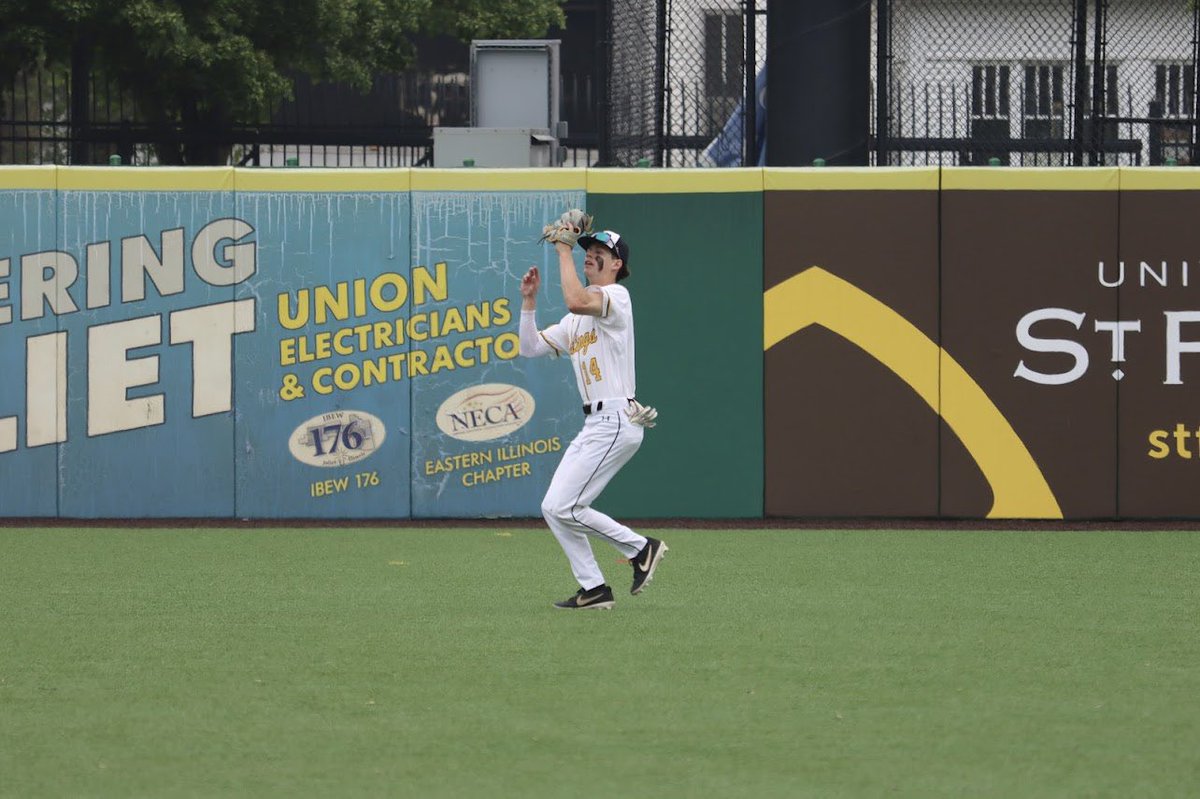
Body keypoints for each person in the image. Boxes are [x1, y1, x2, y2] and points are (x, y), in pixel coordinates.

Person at [518, 225, 667, 610]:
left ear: (617, 263)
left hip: (616, 419)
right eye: (587, 248)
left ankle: (640, 548)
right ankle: (595, 587)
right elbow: (530, 347)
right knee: (555, 508)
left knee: (566, 507)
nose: (590, 253)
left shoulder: (617, 296)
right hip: (597, 424)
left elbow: (576, 300)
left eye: (599, 249)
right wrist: (529, 303)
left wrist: (563, 252)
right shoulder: (575, 322)